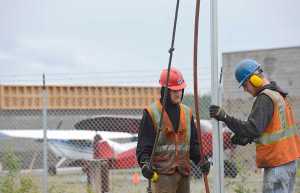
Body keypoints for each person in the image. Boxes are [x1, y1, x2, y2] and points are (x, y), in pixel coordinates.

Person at [209, 59, 300, 193]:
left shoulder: (265, 98)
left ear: (255, 79)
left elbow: (252, 128)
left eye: (245, 84)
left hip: (278, 163)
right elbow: (268, 128)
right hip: (288, 160)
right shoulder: (277, 95)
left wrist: (225, 117)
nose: (245, 90)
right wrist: (248, 138)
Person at [136, 67, 210, 193]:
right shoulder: (151, 113)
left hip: (184, 174)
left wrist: (201, 159)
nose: (178, 93)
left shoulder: (187, 113)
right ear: (165, 91)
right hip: (162, 176)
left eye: (180, 90)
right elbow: (144, 146)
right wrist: (145, 163)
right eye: (174, 90)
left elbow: (193, 144)